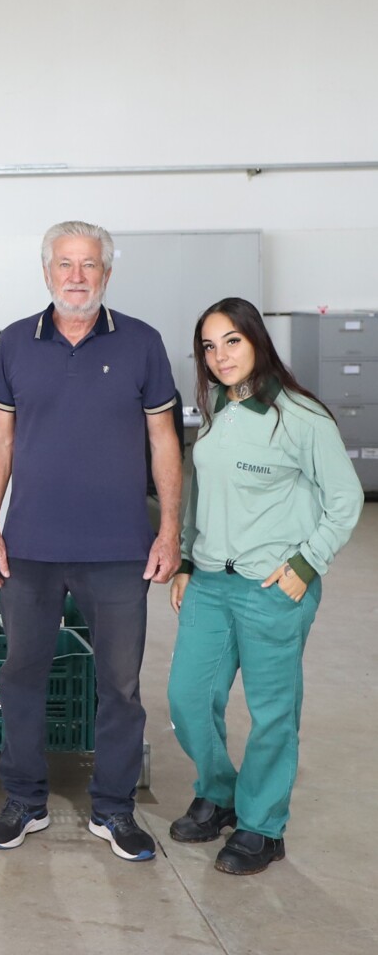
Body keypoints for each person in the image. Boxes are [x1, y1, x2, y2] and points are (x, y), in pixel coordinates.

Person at [0, 220, 182, 862]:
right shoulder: (13, 343)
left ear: (106, 273)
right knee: (21, 675)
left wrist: (170, 530)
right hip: (31, 546)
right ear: (46, 272)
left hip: (120, 548)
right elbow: (0, 440)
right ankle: (24, 801)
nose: (76, 275)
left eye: (88, 264)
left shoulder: (143, 343)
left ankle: (115, 810)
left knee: (120, 685)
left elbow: (164, 441)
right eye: (64, 264)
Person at [166, 298, 362, 875]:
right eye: (209, 345)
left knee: (272, 713)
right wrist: (183, 560)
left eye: (232, 342)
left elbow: (346, 500)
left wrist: (306, 564)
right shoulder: (220, 406)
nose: (220, 356)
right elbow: (201, 490)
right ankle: (219, 792)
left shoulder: (301, 417)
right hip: (209, 581)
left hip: (272, 588)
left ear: (257, 343)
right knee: (188, 699)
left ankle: (262, 826)